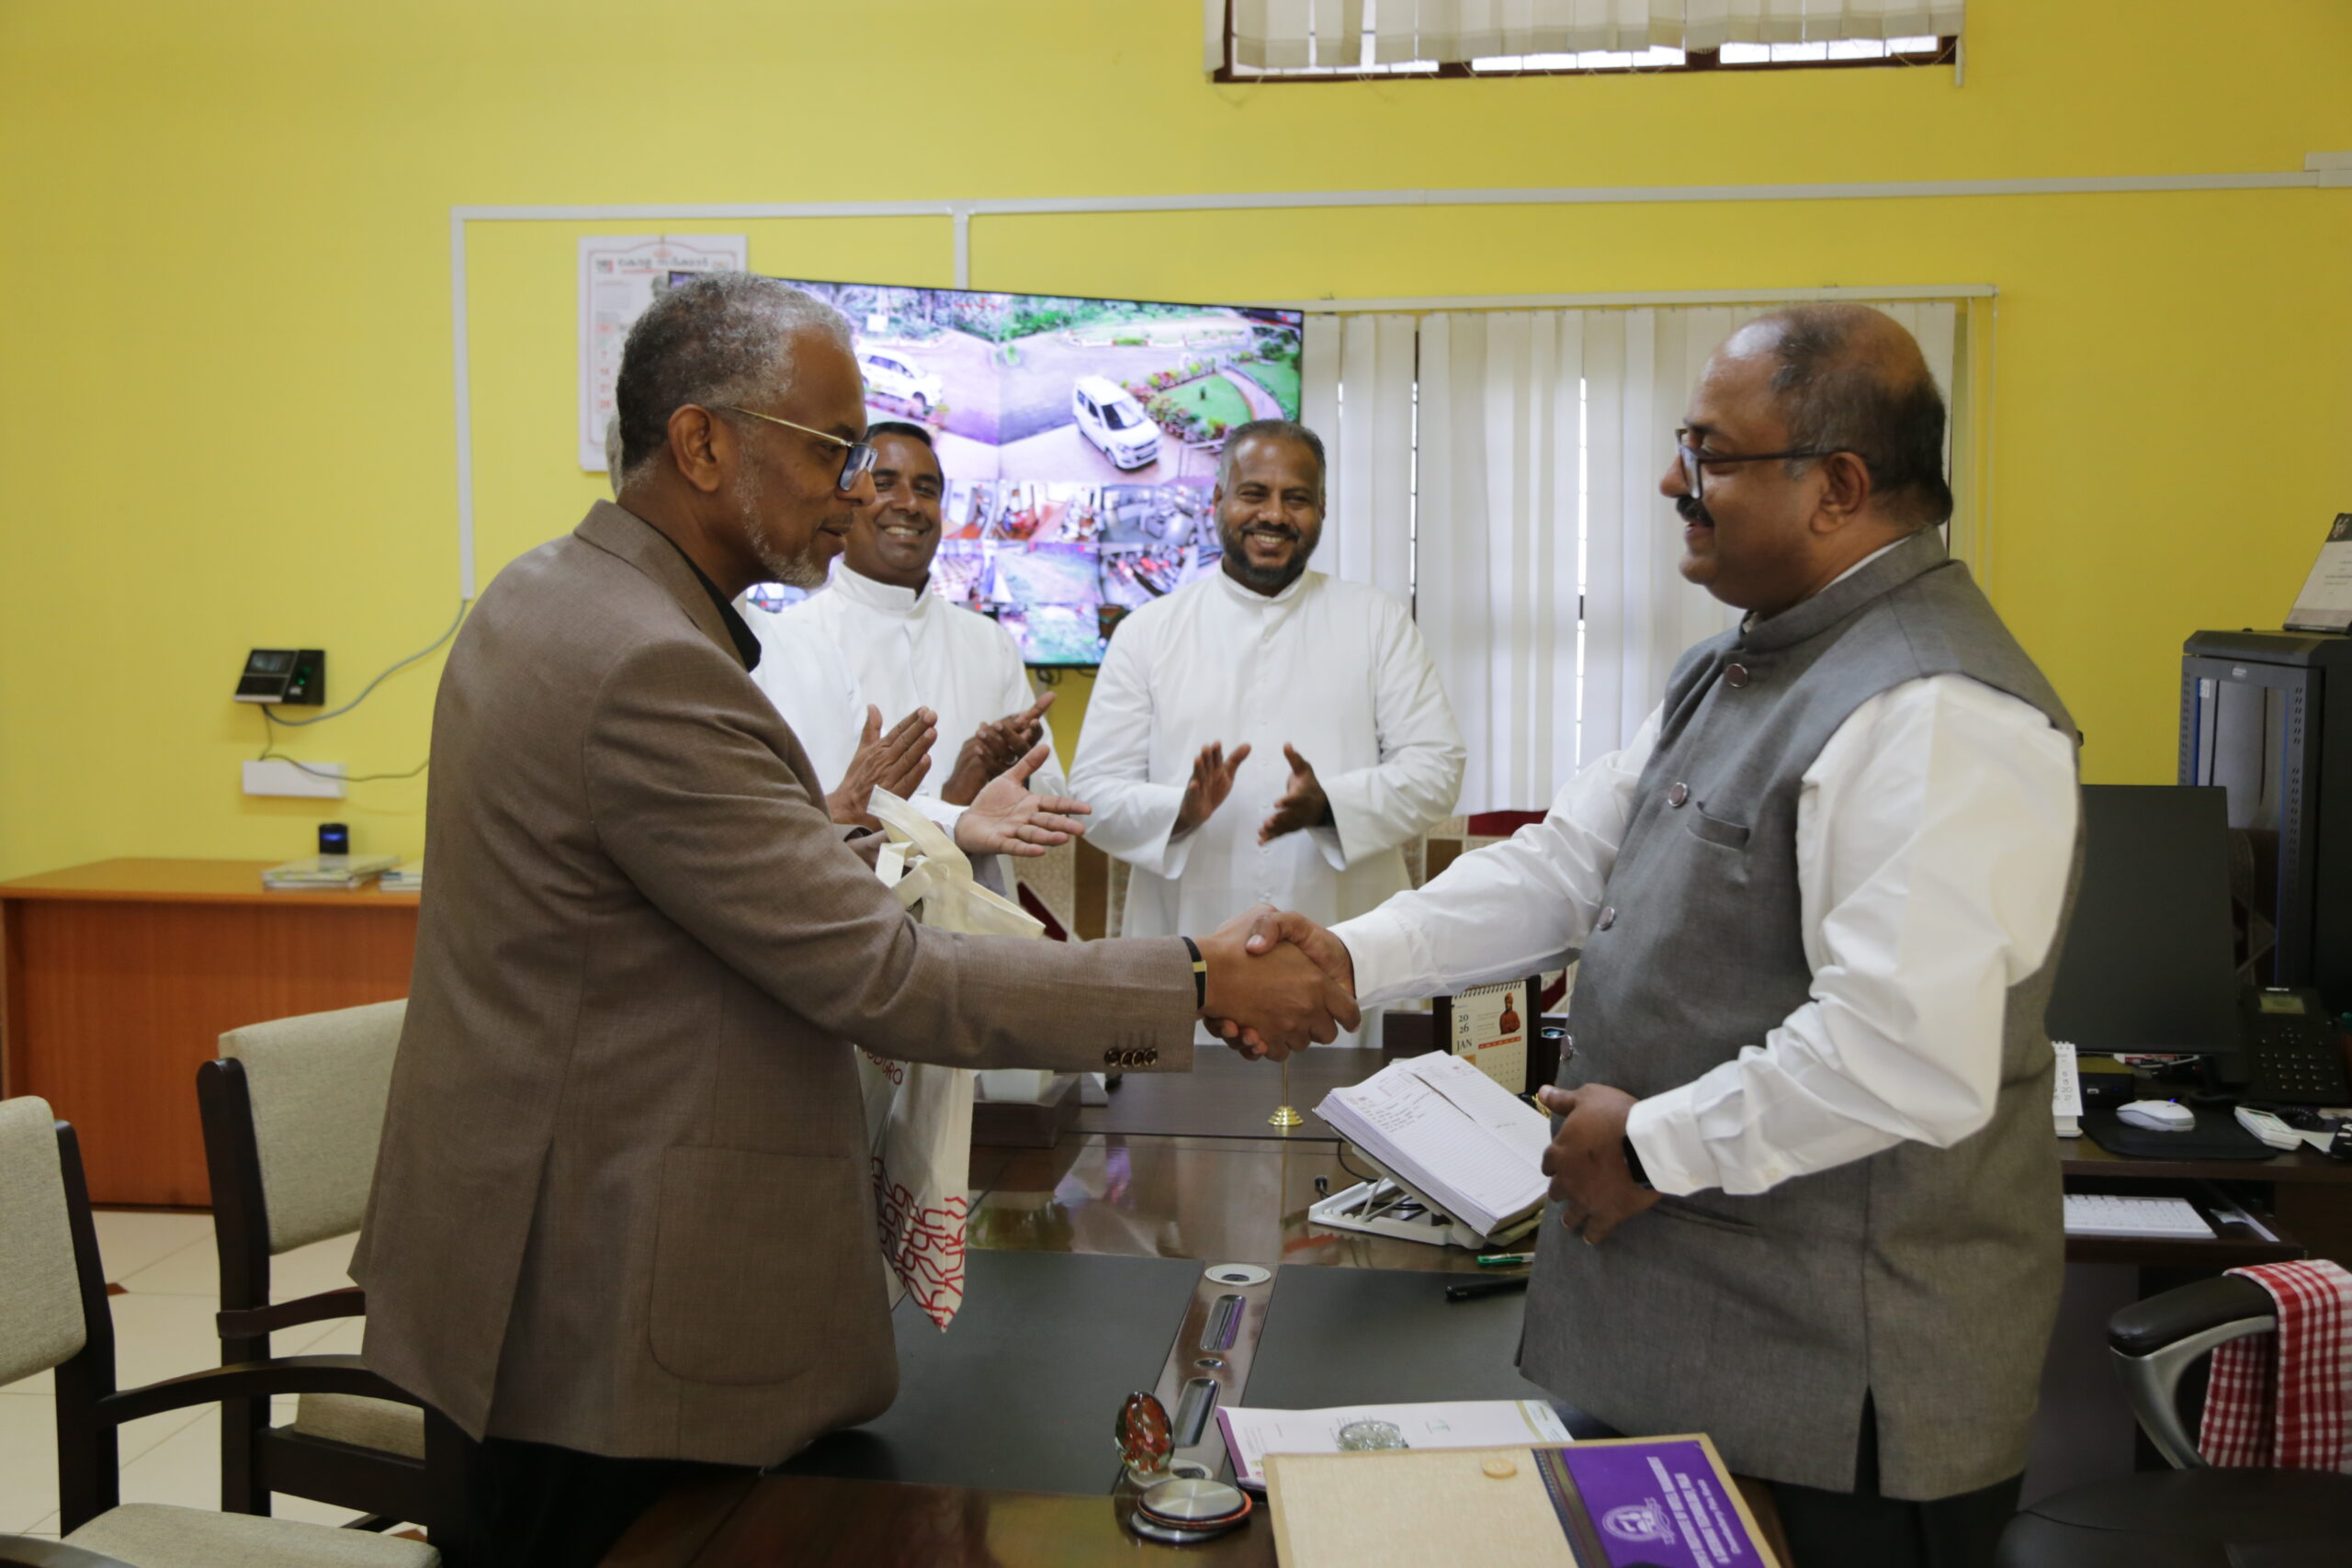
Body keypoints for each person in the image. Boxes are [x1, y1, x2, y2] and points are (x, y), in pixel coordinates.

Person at [352, 275, 1355, 1567]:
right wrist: (1197, 980)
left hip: (528, 1259)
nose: (856, 488)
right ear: (704, 443)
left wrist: (857, 828)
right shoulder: (646, 662)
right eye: (832, 449)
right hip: (593, 1310)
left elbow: (670, 897)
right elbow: (889, 977)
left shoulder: (551, 592)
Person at [1220, 307, 2080, 1568]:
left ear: (1838, 486)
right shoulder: (1739, 664)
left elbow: (1905, 1051)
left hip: (1836, 1408)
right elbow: (1572, 861)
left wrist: (1650, 1143)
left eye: (1710, 453)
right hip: (1669, 1353)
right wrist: (1353, 958)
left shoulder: (1939, 708)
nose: (1674, 481)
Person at [1068, 420, 1465, 1043]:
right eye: (1254, 493)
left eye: (1296, 498)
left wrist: (1330, 806)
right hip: (1189, 952)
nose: (1274, 515)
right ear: (1218, 499)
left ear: (1322, 508)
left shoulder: (1376, 621)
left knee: (1351, 1102)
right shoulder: (1147, 632)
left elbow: (1437, 769)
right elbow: (1091, 793)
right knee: (1184, 1105)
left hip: (1346, 945)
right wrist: (1179, 810)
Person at [775, 421, 1062, 823]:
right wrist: (953, 804)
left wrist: (1010, 768)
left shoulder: (989, 641)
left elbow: (1052, 799)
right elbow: (786, 820)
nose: (910, 504)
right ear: (848, 497)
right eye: (885, 484)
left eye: (926, 490)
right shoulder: (788, 642)